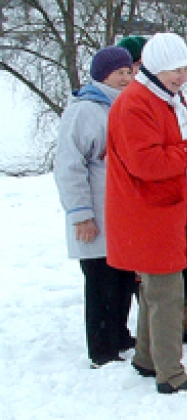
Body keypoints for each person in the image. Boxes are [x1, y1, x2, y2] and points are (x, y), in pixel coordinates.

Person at [105, 32, 187, 393]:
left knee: (155, 291)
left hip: (161, 210)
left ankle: (146, 357)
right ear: (155, 68)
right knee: (168, 294)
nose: (182, 77)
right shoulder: (137, 104)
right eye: (176, 71)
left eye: (185, 70)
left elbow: (164, 150)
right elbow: (147, 162)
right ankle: (170, 373)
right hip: (149, 214)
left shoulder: (158, 99)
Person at [54, 46, 137, 368]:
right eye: (119, 73)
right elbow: (69, 166)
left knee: (123, 279)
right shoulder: (85, 109)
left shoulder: (124, 106)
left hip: (122, 212)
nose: (126, 78)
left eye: (129, 72)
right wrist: (81, 214)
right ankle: (101, 348)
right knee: (101, 281)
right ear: (102, 74)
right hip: (97, 212)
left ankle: (118, 334)